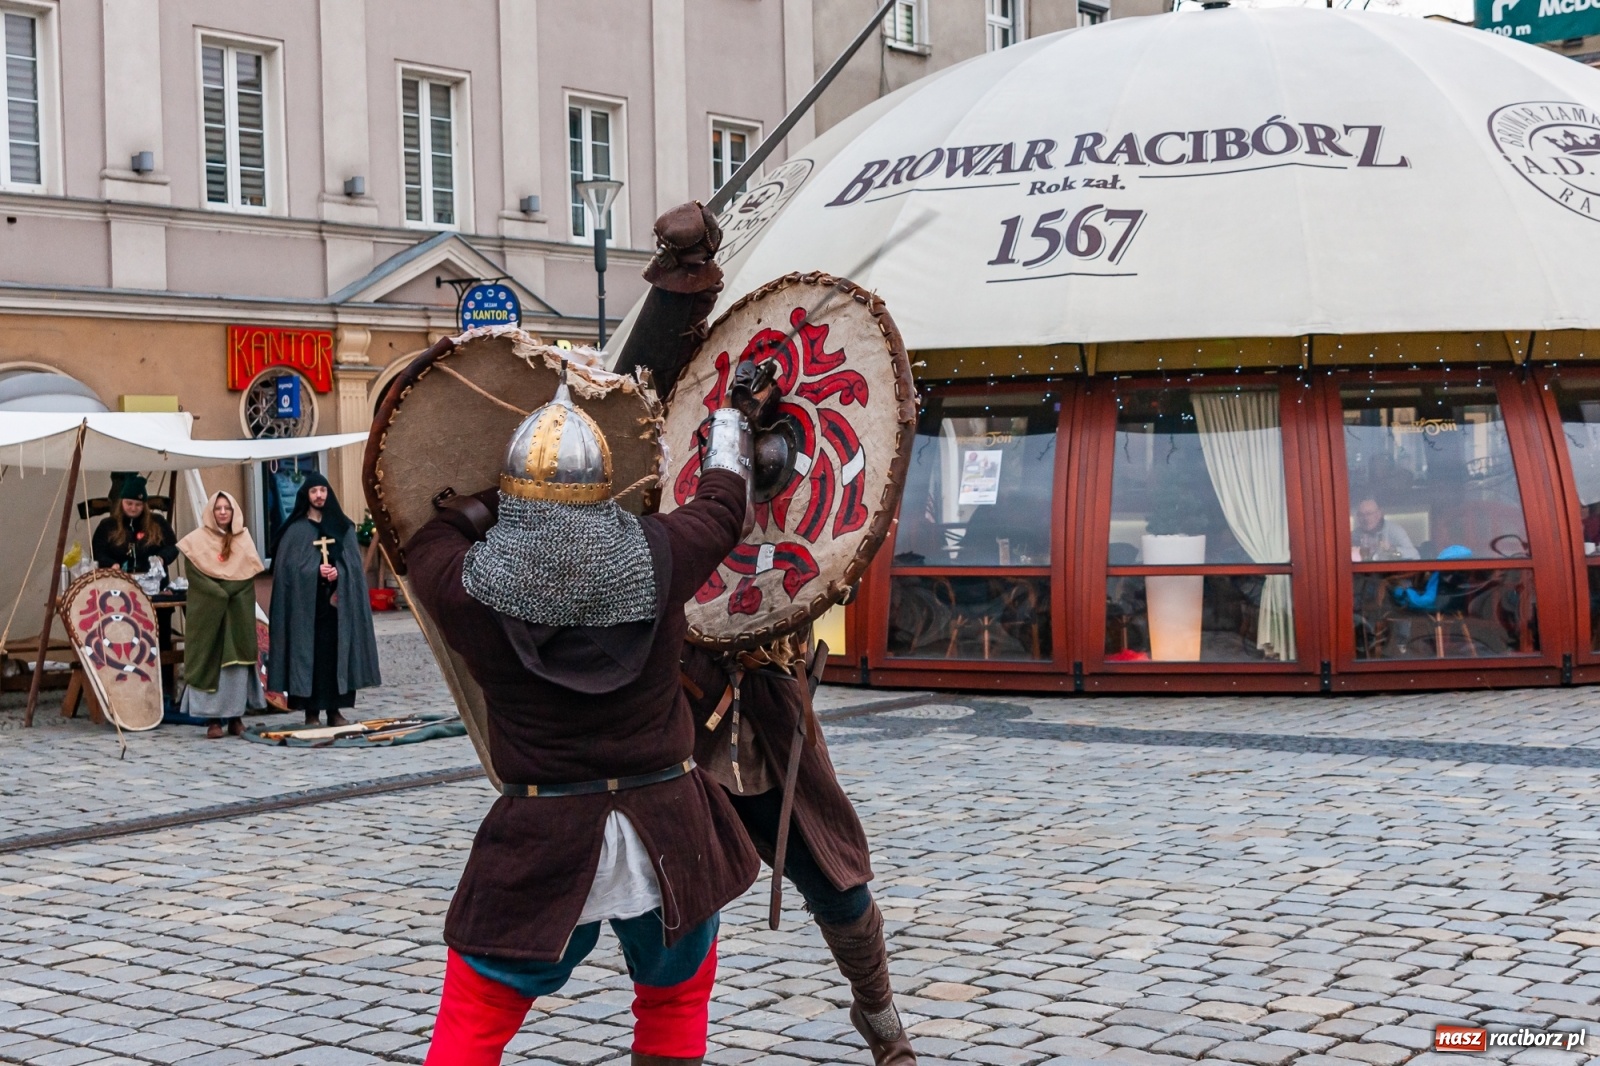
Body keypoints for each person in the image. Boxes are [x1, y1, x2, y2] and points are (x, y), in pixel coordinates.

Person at [615, 203, 919, 1065]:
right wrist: (682, 271)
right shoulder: (657, 429)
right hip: (667, 684)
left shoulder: (782, 443)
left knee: (831, 865)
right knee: (655, 882)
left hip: (761, 684)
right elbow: (639, 383)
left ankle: (881, 1019)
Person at [403, 365, 761, 1066]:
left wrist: (492, 501)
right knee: (675, 998)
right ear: (605, 484)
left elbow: (431, 533)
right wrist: (734, 414)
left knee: (475, 1015)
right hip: (671, 820)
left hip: (546, 832)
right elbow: (724, 504)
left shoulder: (462, 584)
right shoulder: (659, 553)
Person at [267, 473, 380, 726]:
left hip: (337, 610)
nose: (319, 495)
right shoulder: (295, 531)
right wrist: (313, 571)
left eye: (323, 490)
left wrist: (340, 572)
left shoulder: (342, 527)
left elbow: (353, 567)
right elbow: (287, 571)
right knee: (310, 657)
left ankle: (335, 710)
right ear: (306, 496)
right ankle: (311, 713)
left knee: (335, 656)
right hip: (306, 611)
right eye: (314, 491)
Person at [176, 491, 266, 738]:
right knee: (211, 663)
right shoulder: (196, 541)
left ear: (234, 511)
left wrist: (228, 590)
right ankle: (213, 720)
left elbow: (246, 576)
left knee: (235, 666)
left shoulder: (244, 541)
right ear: (211, 512)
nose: (223, 512)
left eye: (227, 508)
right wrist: (218, 593)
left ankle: (236, 717)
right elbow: (196, 576)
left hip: (236, 615)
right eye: (218, 508)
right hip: (210, 614)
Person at [92, 474, 179, 578]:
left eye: (138, 505)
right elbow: (98, 551)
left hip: (153, 582)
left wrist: (162, 558)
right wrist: (111, 564)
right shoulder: (108, 525)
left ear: (144, 505)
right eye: (129, 504)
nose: (133, 508)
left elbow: (172, 546)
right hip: (118, 580)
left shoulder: (158, 522)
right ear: (121, 502)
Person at [1352, 497, 1420, 561]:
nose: (1365, 519)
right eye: (1361, 515)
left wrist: (1391, 549)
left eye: (1369, 514)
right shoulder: (1355, 535)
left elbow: (1414, 554)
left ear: (1379, 514)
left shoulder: (1394, 530)